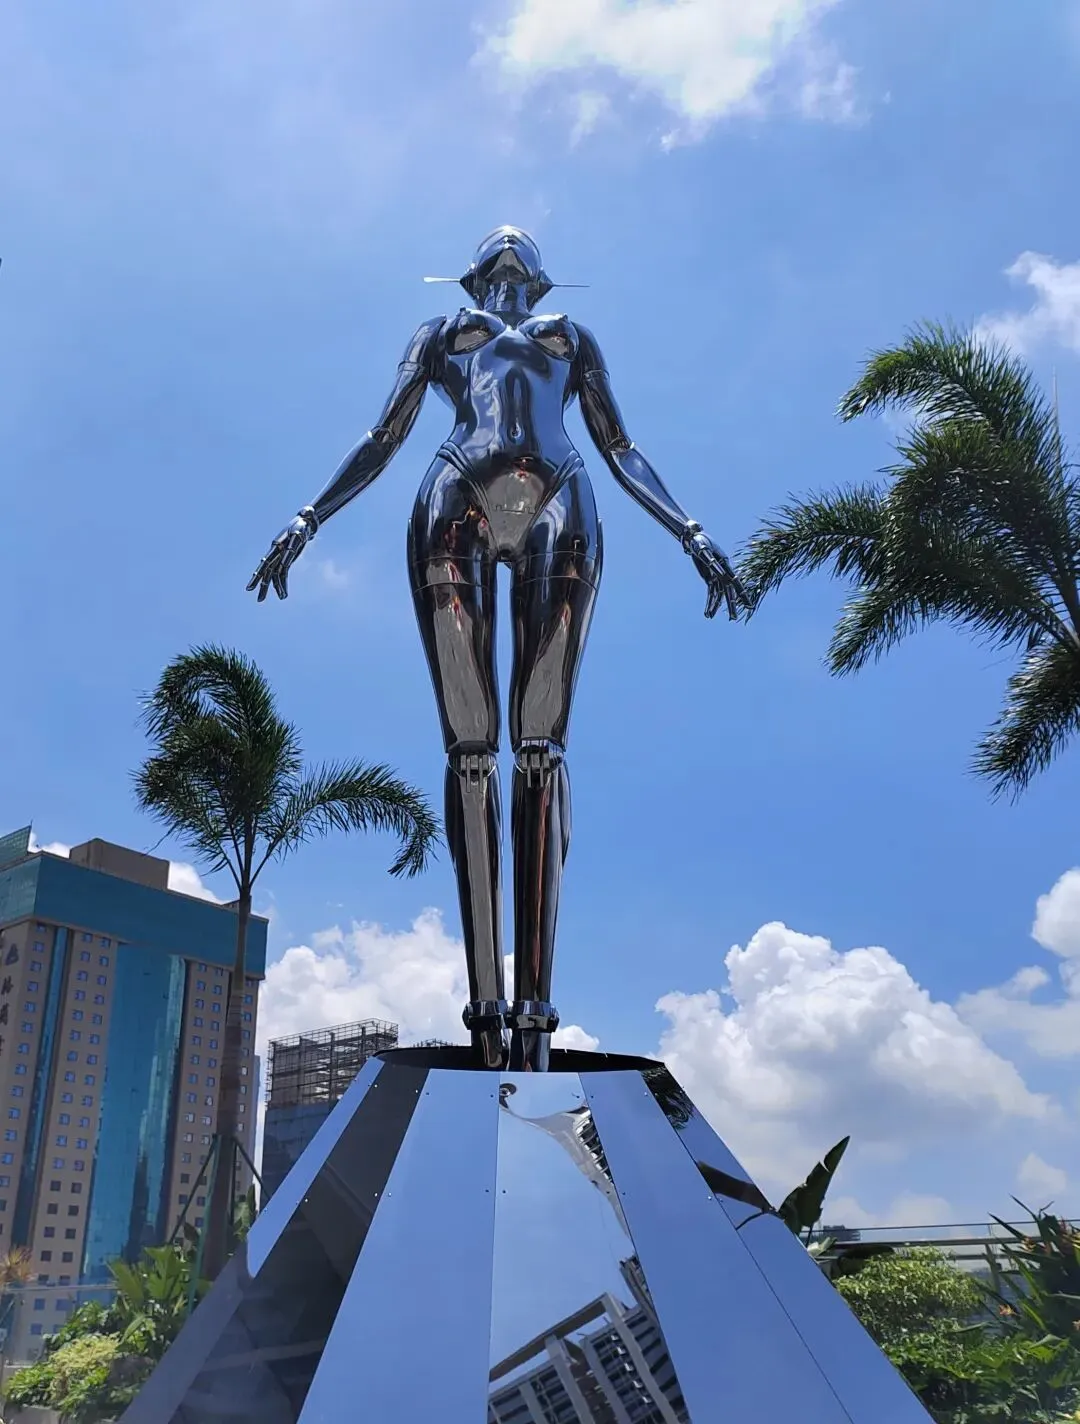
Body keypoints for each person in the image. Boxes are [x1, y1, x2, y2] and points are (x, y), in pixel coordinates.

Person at [248, 226, 745, 1070]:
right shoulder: (442, 332)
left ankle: (536, 1019)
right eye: (496, 253)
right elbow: (384, 435)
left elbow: (621, 448)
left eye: (522, 253)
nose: (510, 250)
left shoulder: (572, 339)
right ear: (473, 276)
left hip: (562, 496)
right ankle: (486, 1018)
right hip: (457, 495)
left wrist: (690, 531)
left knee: (541, 751)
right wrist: (309, 518)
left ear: (543, 282)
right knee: (472, 754)